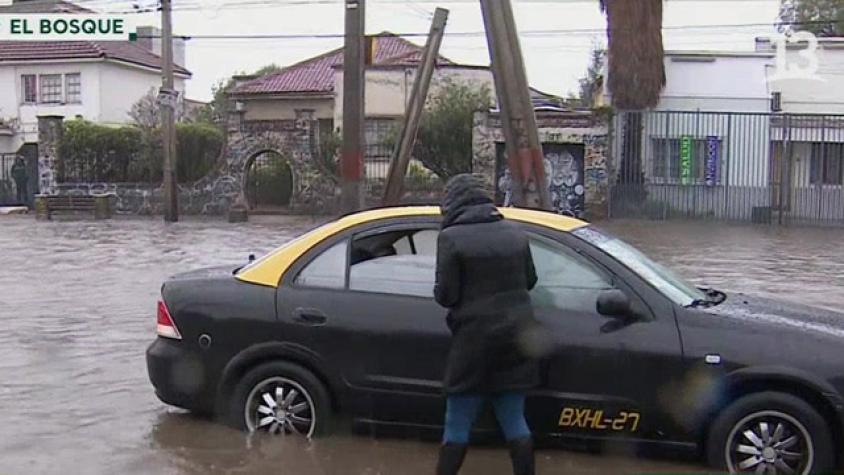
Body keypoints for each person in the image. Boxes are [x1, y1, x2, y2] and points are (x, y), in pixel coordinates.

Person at [434, 173, 540, 475]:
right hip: (518, 337)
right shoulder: (515, 232)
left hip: (474, 343)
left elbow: (446, 295)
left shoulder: (451, 237)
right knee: (514, 419)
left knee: (457, 422)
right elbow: (530, 281)